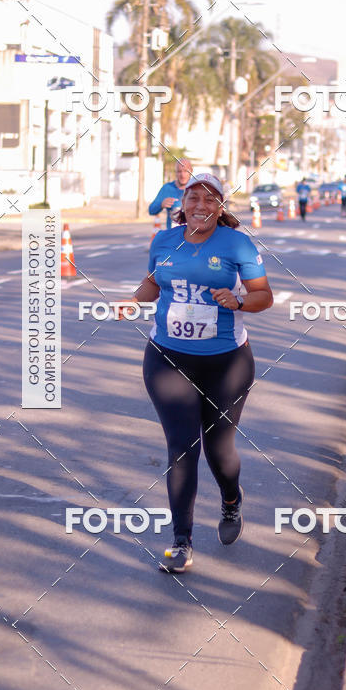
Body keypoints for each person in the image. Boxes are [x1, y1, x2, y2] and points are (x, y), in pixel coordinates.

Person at [131, 173, 273, 572]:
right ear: (183, 203)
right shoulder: (164, 240)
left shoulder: (236, 243)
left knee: (219, 450)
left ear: (220, 207)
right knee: (181, 447)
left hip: (226, 362)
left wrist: (239, 301)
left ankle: (231, 500)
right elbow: (153, 284)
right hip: (167, 357)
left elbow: (264, 295)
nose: (201, 205)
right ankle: (181, 541)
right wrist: (132, 300)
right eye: (194, 198)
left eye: (210, 199)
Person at [148, 158, 193, 229]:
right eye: (179, 171)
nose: (182, 175)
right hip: (173, 233)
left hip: (193, 234)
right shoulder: (167, 188)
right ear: (175, 172)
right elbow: (151, 210)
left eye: (185, 171)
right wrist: (161, 204)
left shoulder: (197, 188)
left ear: (191, 171)